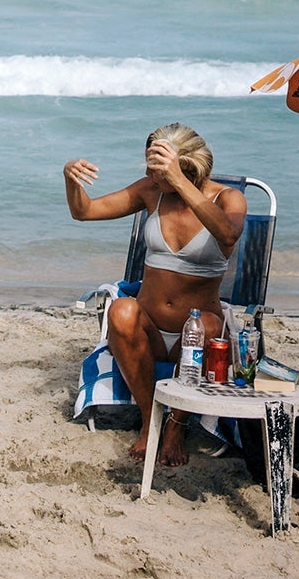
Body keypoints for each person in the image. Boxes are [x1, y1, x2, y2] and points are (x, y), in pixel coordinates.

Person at [62, 123, 245, 466]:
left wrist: (179, 181)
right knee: (121, 310)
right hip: (149, 329)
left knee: (209, 325)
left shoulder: (228, 199)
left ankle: (175, 426)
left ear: (183, 168)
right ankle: (150, 419)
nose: (147, 174)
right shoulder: (152, 191)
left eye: (155, 169)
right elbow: (84, 211)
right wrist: (71, 179)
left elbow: (228, 234)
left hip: (197, 333)